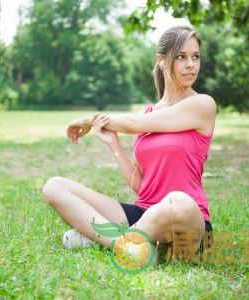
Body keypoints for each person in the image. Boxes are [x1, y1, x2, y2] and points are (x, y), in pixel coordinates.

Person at [42, 25, 216, 258]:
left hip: (186, 222)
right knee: (54, 186)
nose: (190, 65)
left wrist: (88, 119)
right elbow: (143, 187)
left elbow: (132, 124)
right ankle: (125, 245)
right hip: (144, 213)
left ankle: (113, 240)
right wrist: (114, 146)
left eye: (195, 57)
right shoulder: (149, 113)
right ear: (162, 61)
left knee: (178, 201)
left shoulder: (203, 105)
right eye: (181, 57)